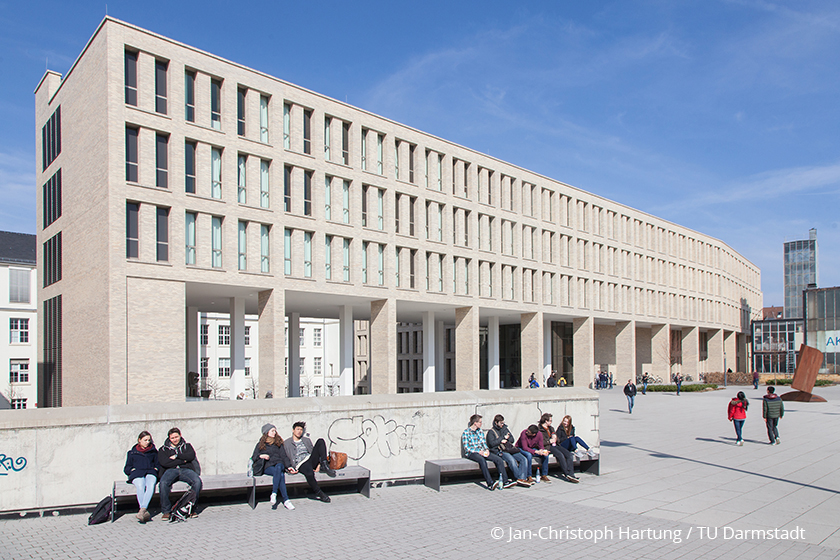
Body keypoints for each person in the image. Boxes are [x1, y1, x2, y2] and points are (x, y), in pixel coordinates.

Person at [282, 421, 336, 503]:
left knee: (320, 441)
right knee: (309, 473)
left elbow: (313, 452)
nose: (299, 431)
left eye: (301, 430)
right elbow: (284, 458)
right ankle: (319, 493)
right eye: (297, 429)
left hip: (310, 459)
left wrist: (318, 464)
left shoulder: (306, 440)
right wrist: (289, 469)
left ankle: (324, 464)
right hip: (300, 464)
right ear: (293, 430)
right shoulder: (287, 443)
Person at [158, 427, 203, 520]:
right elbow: (164, 462)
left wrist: (177, 456)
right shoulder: (163, 449)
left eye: (176, 437)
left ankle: (190, 508)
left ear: (180, 436)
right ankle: (166, 511)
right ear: (169, 438)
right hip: (170, 470)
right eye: (172, 438)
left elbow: (191, 456)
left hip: (186, 470)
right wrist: (183, 460)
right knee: (163, 484)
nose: (175, 439)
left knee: (197, 482)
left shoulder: (187, 446)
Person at [462, 414, 510, 490]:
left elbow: (483, 443)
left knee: (498, 459)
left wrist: (486, 450)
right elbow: (467, 448)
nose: (481, 424)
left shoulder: (480, 431)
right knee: (482, 460)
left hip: (482, 451)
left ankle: (505, 481)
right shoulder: (466, 432)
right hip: (472, 453)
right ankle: (490, 482)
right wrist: (479, 451)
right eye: (480, 422)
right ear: (475, 423)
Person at [252, 424, 294, 510]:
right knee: (280, 475)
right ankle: (286, 500)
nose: (274, 433)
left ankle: (274, 493)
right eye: (272, 431)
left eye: (275, 431)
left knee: (279, 468)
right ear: (267, 432)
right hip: (268, 466)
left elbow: (284, 456)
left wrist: (289, 466)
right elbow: (254, 457)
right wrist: (261, 456)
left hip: (279, 464)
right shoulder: (260, 444)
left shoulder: (278, 443)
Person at [123, 430, 160, 523]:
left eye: (149, 440)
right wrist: (131, 471)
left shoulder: (154, 451)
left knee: (151, 484)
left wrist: (156, 469)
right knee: (140, 485)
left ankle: (142, 510)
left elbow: (158, 464)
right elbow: (127, 468)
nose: (147, 442)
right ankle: (144, 510)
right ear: (139, 440)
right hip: (137, 474)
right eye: (145, 440)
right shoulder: (132, 452)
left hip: (150, 472)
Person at [486, 415, 531, 487]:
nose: (502, 425)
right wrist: (502, 439)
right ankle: (519, 478)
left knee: (523, 459)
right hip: (500, 450)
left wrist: (507, 439)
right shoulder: (491, 432)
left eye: (503, 423)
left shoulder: (505, 429)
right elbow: (491, 444)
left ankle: (522, 478)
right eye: (501, 423)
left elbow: (512, 439)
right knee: (512, 461)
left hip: (510, 449)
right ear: (496, 422)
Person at [536, 413, 579, 483]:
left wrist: (555, 438)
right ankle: (567, 473)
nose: (551, 422)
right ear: (546, 421)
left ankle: (571, 474)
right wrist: (549, 441)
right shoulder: (539, 430)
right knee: (560, 455)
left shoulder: (551, 428)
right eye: (550, 421)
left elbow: (558, 438)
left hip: (556, 445)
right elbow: (539, 443)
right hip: (547, 447)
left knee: (568, 454)